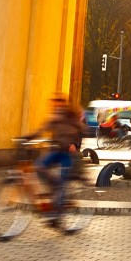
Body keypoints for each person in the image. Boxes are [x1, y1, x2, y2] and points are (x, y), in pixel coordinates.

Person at [37, 94, 82, 223]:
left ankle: (58, 213)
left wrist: (74, 144)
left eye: (58, 102)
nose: (56, 105)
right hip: (56, 150)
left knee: (62, 180)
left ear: (63, 103)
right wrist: (27, 138)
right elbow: (42, 129)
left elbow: (80, 130)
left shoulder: (71, 117)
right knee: (39, 166)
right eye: (54, 102)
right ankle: (53, 187)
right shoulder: (55, 117)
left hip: (68, 153)